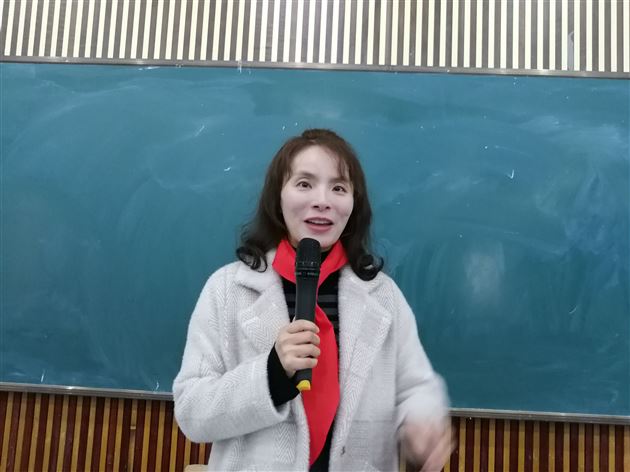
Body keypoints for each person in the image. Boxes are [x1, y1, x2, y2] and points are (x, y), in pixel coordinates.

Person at [173, 129, 452, 471]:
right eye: (304, 184)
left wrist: (422, 423)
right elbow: (191, 411)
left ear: (354, 204)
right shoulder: (228, 289)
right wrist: (271, 374)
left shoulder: (383, 295)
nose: (323, 200)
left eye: (339, 188)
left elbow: (416, 388)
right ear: (278, 197)